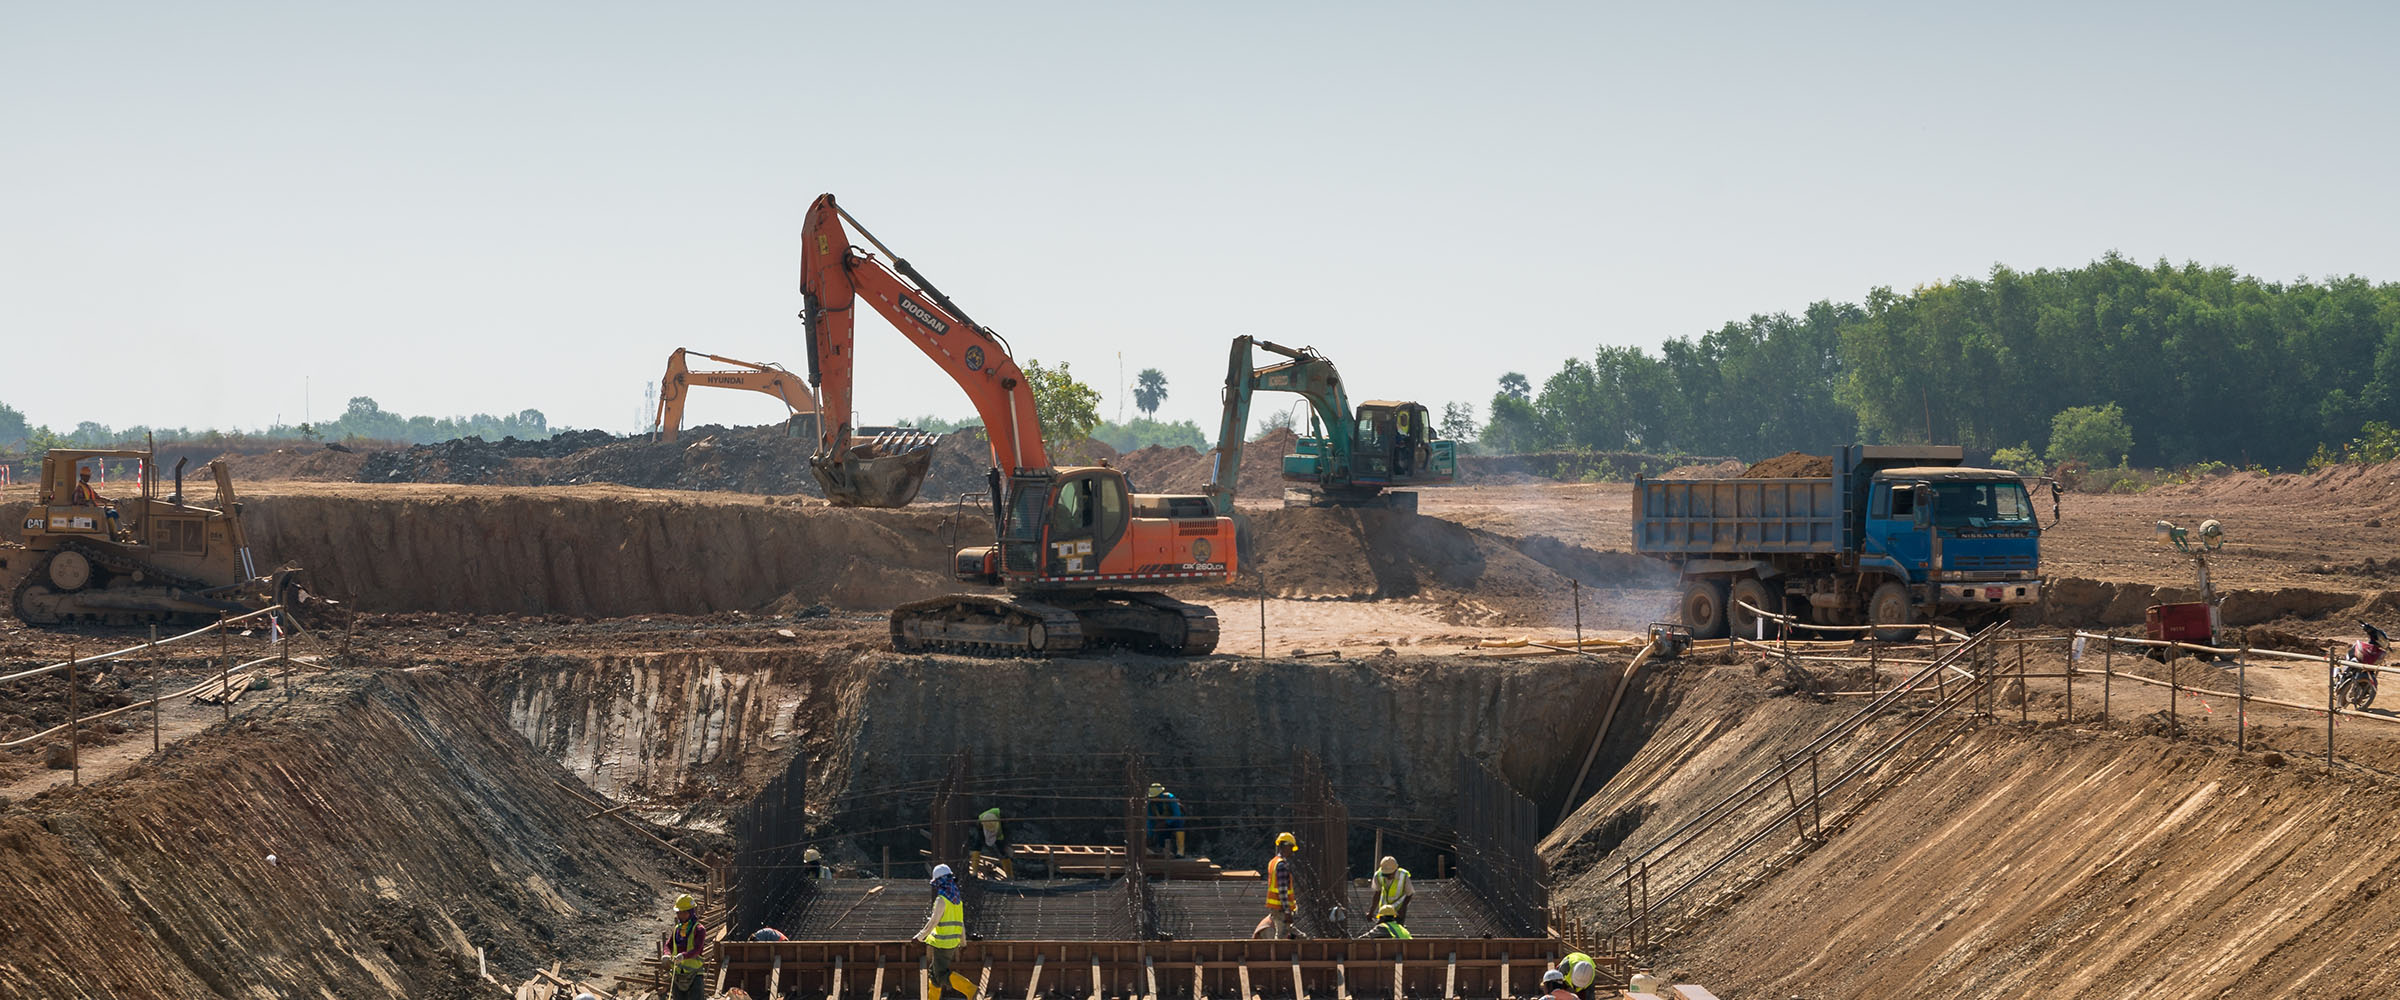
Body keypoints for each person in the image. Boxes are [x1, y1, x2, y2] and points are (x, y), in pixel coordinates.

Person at [914, 864, 978, 1000]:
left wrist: (919, 937)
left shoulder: (941, 900)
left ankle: (970, 989)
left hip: (942, 943)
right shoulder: (957, 901)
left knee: (940, 975)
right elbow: (961, 923)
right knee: (934, 973)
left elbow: (933, 921)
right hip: (952, 943)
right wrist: (963, 943)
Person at [1252, 832, 1301, 939]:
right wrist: (1287, 911)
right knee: (1281, 937)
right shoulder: (1281, 865)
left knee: (1291, 934)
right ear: (1285, 846)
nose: (1292, 852)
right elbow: (1282, 890)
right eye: (1291, 848)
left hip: (1276, 908)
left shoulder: (1273, 862)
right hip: (1281, 908)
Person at [662, 893, 707, 1000]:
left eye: (683, 913)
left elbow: (697, 950)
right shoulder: (677, 929)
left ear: (691, 912)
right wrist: (666, 954)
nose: (680, 915)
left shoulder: (699, 929)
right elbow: (668, 944)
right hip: (678, 975)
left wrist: (683, 956)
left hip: (695, 975)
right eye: (679, 913)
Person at [970, 807, 1013, 878]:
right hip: (992, 831)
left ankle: (1010, 876)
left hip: (1000, 833)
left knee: (1003, 851)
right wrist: (994, 851)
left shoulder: (1002, 817)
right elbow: (981, 839)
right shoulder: (980, 823)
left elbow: (1006, 832)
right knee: (977, 846)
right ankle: (974, 873)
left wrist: (1006, 845)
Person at [1370, 856, 1414, 924]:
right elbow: (1377, 894)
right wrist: (1371, 912)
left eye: (1390, 874)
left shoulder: (1403, 876)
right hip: (1384, 910)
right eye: (1386, 874)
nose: (1388, 876)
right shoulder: (1378, 875)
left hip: (1398, 908)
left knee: (1397, 928)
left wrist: (1402, 909)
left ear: (1396, 870)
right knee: (1381, 928)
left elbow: (1409, 894)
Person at [1145, 784, 1185, 858]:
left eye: (1156, 797)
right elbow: (1150, 820)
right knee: (1162, 837)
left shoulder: (1170, 798)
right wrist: (1150, 834)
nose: (1154, 799)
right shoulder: (1151, 804)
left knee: (1179, 824)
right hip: (1162, 824)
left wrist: (1166, 822)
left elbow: (1177, 814)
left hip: (1174, 821)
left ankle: (1180, 850)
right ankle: (1165, 851)